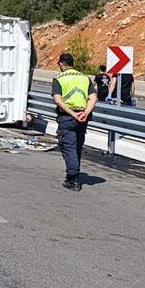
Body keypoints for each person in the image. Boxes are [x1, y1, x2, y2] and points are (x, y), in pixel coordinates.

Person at [52, 53, 97, 191]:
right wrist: (85, 113)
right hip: (83, 117)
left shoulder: (59, 79)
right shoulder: (85, 78)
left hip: (68, 116)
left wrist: (73, 114)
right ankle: (73, 174)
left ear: (61, 64)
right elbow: (93, 98)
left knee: (68, 146)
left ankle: (73, 178)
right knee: (77, 145)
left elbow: (58, 100)